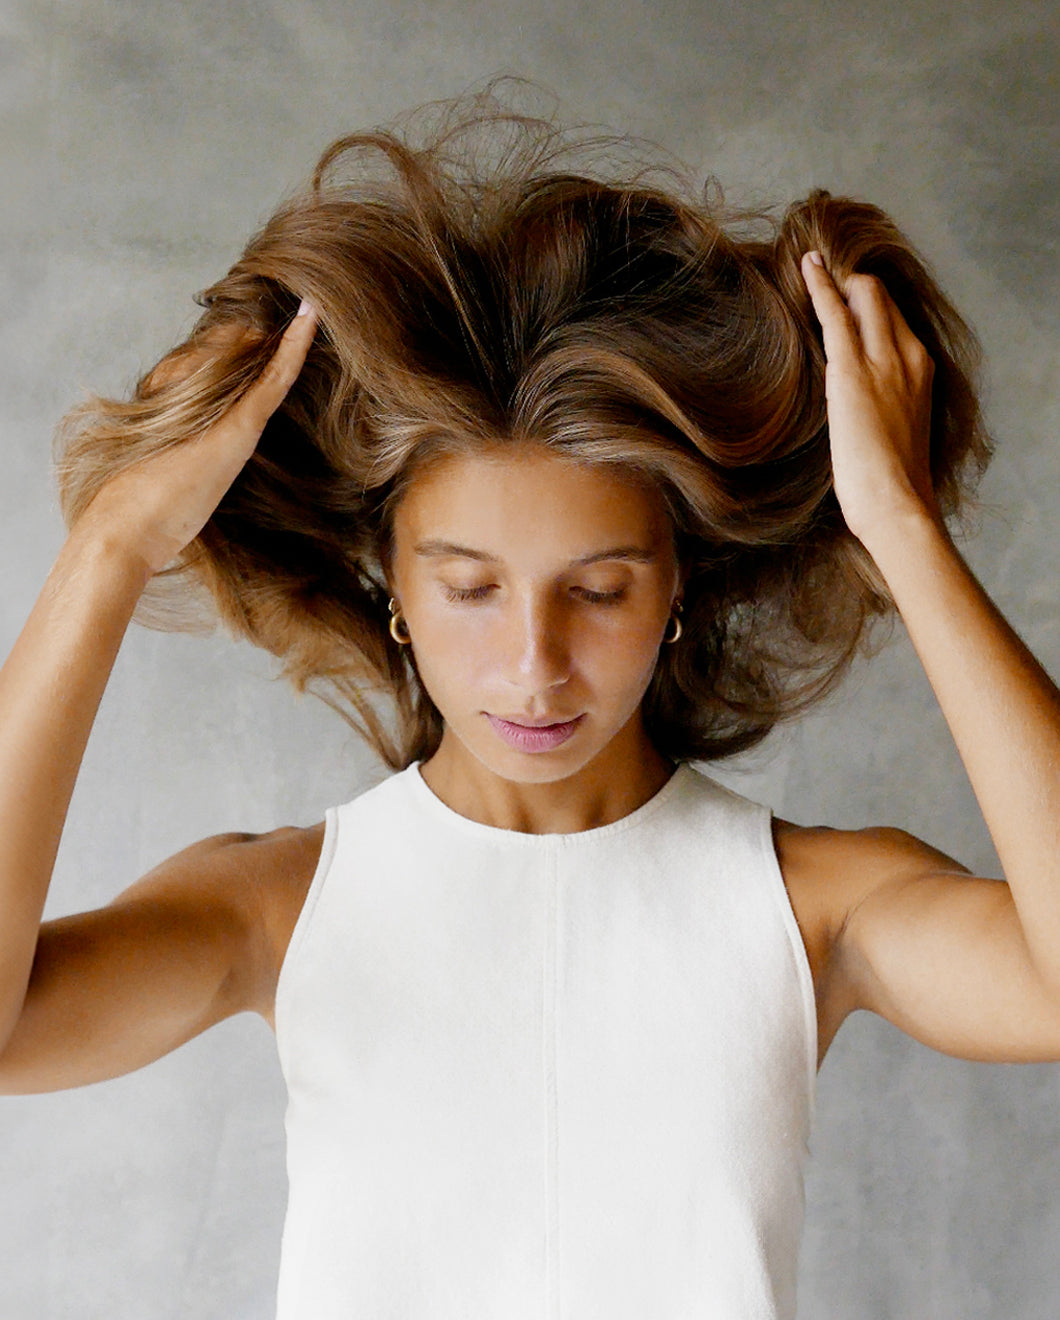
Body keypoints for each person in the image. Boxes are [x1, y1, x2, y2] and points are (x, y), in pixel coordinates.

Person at [1, 88, 1058, 1318]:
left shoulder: (815, 906)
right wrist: (114, 545)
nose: (533, 664)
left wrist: (900, 526)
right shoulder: (276, 906)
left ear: (677, 586)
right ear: (394, 586)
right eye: (470, 589)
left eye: (599, 590)